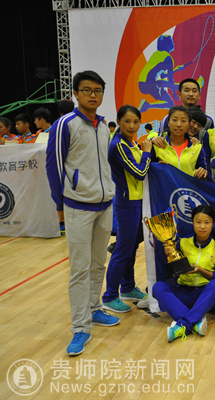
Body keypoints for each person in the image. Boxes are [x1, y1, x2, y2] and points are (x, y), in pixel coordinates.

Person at [46, 70, 119, 356]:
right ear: (76, 93)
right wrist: (59, 205)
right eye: (87, 90)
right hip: (77, 206)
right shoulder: (65, 124)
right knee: (79, 268)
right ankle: (80, 327)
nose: (92, 95)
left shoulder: (104, 126)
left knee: (98, 263)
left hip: (104, 205)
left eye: (97, 91)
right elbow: (54, 167)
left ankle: (94, 308)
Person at [101, 105, 152, 313]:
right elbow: (139, 173)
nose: (132, 125)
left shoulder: (130, 143)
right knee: (122, 249)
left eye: (135, 122)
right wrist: (147, 153)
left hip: (136, 201)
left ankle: (128, 288)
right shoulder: (118, 145)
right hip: (127, 203)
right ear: (119, 122)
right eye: (127, 121)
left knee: (131, 248)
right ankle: (109, 296)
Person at [153, 205, 215, 342]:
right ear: (192, 223)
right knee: (158, 287)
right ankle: (194, 322)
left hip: (205, 296)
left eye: (207, 222)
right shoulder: (182, 242)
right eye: (198, 222)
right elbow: (173, 272)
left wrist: (200, 270)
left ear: (213, 224)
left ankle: (183, 325)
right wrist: (170, 256)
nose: (202, 226)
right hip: (184, 293)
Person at [150, 106, 209, 179]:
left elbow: (203, 172)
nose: (178, 125)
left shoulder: (196, 146)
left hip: (188, 186)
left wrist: (203, 173)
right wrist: (156, 167)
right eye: (174, 120)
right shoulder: (157, 143)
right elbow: (147, 170)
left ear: (188, 124)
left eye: (183, 121)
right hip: (164, 186)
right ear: (168, 122)